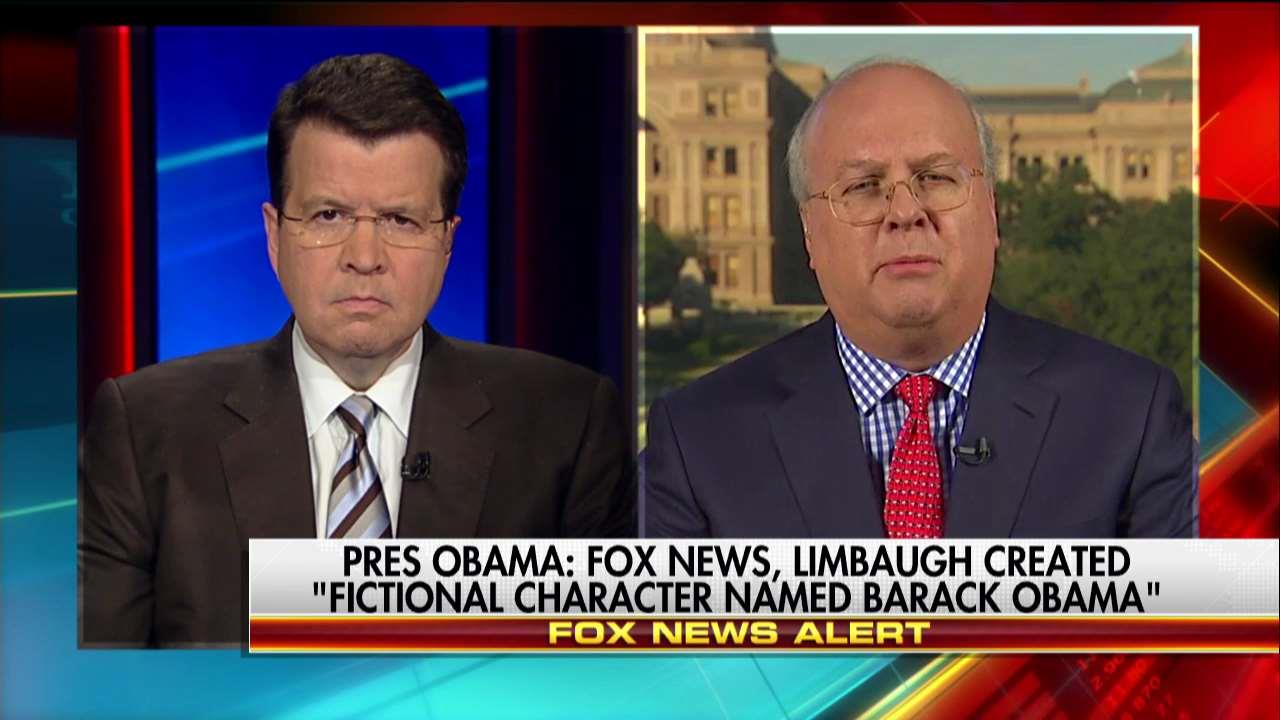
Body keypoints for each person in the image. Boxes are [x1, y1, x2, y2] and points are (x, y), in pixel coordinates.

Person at [80, 53, 634, 647]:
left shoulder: (567, 426)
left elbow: (603, 677)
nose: (364, 257)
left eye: (400, 220)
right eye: (329, 215)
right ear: (274, 235)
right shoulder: (144, 430)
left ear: (447, 242)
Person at [643, 59, 1196, 540]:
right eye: (863, 187)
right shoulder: (697, 442)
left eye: (936, 178)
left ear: (992, 212)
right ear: (810, 232)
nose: (906, 212)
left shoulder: (1132, 416)